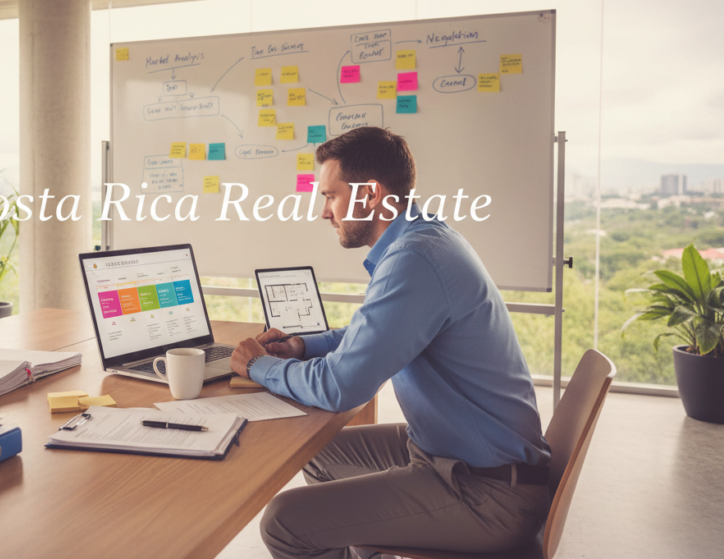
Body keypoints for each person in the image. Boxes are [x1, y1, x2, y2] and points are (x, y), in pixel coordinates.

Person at [229, 126, 551, 559]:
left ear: (370, 195)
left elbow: (340, 388)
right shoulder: (423, 238)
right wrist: (303, 347)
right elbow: (381, 334)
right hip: (453, 454)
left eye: (330, 195)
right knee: (316, 451)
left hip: (486, 492)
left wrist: (258, 367)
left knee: (284, 521)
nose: (325, 212)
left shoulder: (414, 258)